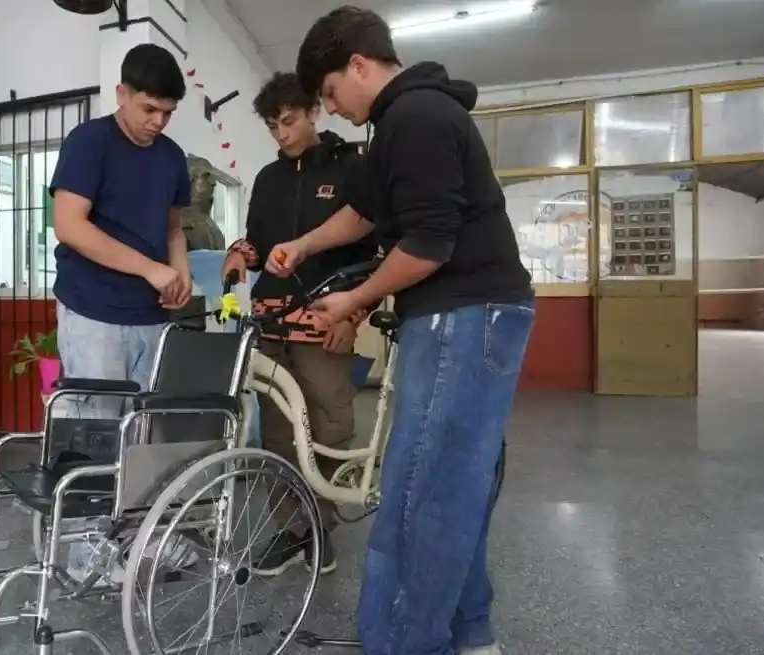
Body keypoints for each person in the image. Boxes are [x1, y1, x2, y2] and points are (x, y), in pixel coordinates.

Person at [276, 7, 536, 655]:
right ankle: (470, 634)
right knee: (453, 486)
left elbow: (427, 244)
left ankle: (399, 642)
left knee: (419, 494)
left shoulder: (417, 118)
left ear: (358, 65)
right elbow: (365, 211)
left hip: (462, 314)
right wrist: (304, 245)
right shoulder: (401, 121)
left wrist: (355, 300)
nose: (329, 109)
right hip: (471, 312)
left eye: (330, 93)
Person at [221, 71, 376, 578]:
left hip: (326, 325)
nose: (281, 134)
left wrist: (354, 316)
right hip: (271, 328)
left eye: (288, 121)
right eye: (272, 126)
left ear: (313, 111)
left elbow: (373, 253)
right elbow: (258, 243)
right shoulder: (268, 179)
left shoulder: (353, 168)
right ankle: (294, 532)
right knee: (282, 439)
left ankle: (321, 527)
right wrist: (238, 255)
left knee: (331, 428)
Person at [49, 42, 193, 581]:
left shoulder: (172, 157)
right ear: (122, 95)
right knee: (93, 430)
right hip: (94, 312)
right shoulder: (89, 142)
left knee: (145, 433)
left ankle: (136, 538)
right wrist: (150, 270)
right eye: (147, 109)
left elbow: (173, 229)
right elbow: (71, 226)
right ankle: (84, 552)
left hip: (152, 318)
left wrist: (176, 275)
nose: (157, 122)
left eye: (167, 113)